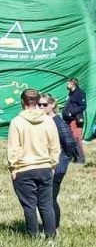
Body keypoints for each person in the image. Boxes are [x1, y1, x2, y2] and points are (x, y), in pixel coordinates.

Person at [7, 88, 60, 239]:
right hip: (45, 167)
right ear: (38, 102)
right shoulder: (48, 121)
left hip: (23, 168)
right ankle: (51, 237)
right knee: (46, 204)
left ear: (22, 102)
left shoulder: (17, 122)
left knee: (29, 206)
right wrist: (53, 165)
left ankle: (33, 237)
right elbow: (55, 146)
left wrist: (13, 167)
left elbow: (13, 148)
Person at [42, 94, 78, 230]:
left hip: (57, 167)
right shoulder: (44, 121)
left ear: (52, 105)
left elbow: (69, 142)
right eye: (39, 104)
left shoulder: (58, 122)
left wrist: (63, 159)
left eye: (44, 104)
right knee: (46, 199)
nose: (40, 107)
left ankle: (54, 228)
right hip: (46, 165)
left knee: (50, 199)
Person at [63, 78, 86, 164]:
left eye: (68, 83)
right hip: (68, 119)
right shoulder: (71, 93)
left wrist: (71, 112)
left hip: (75, 120)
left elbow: (83, 106)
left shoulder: (80, 93)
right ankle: (75, 157)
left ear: (73, 84)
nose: (66, 85)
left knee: (76, 139)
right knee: (70, 139)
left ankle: (81, 159)